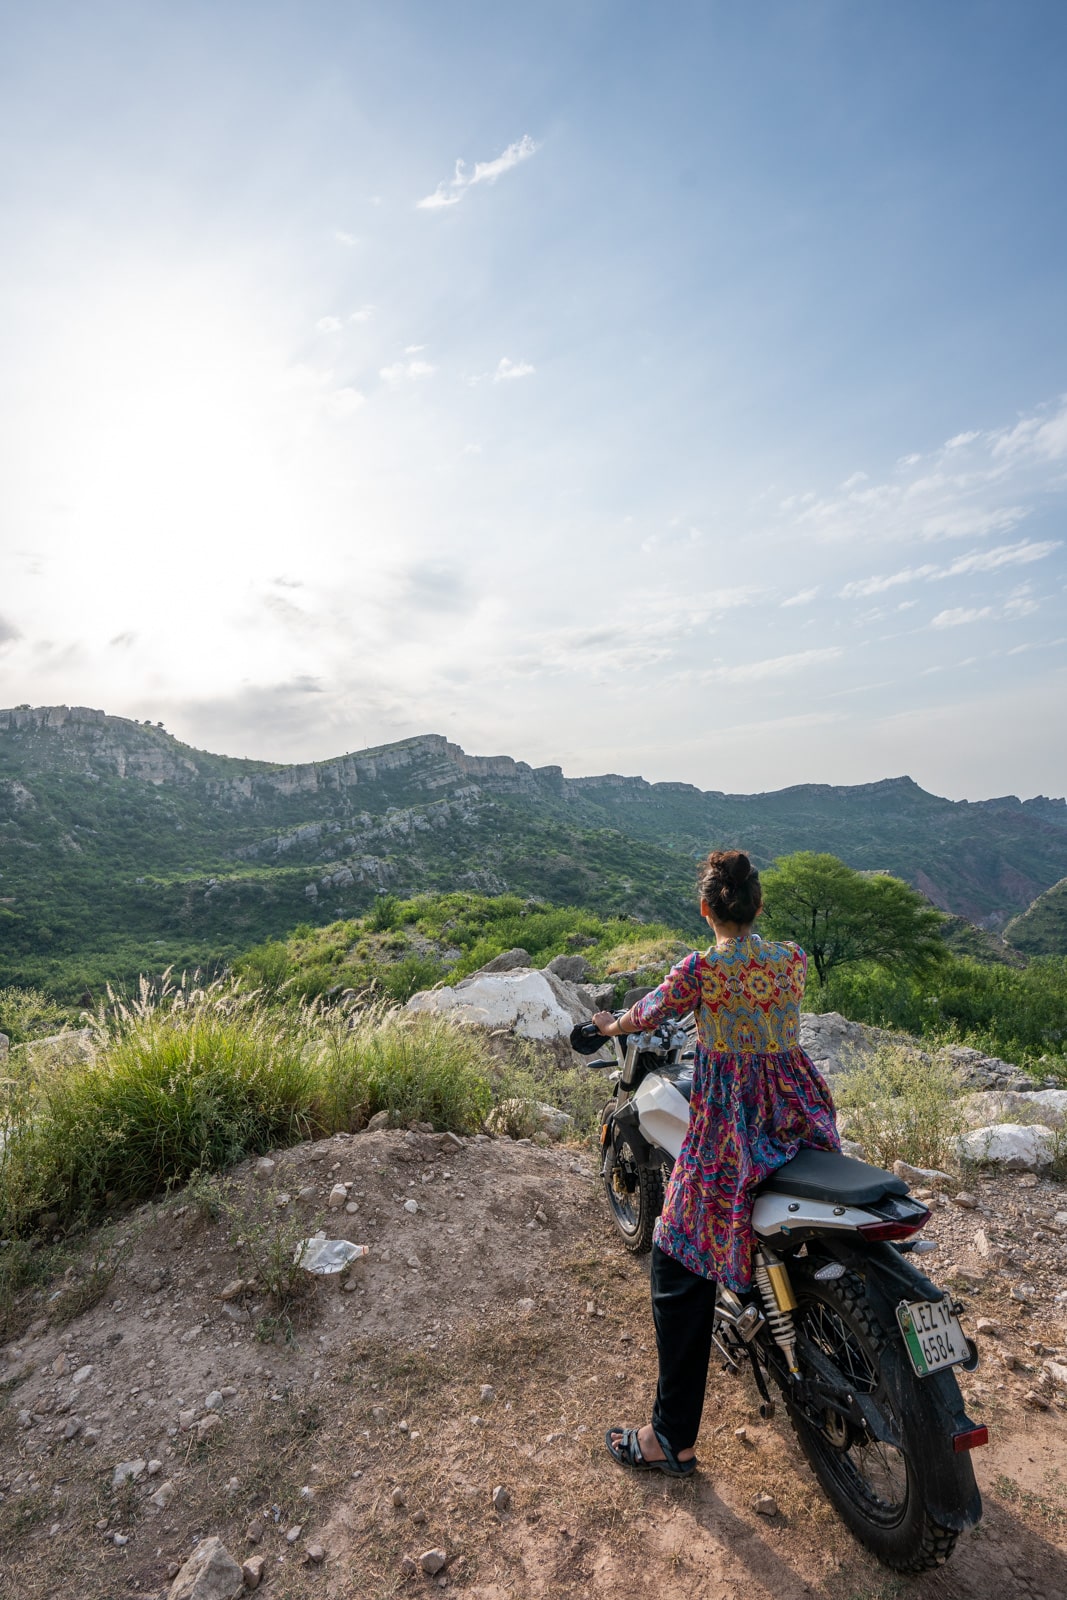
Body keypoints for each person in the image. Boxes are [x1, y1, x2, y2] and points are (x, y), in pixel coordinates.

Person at [595, 848, 840, 1477]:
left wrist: (608, 1024)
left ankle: (670, 1438)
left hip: (734, 1128)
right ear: (757, 905)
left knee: (675, 1255)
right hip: (798, 1115)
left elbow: (646, 1013)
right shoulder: (791, 960)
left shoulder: (701, 970)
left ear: (708, 909)